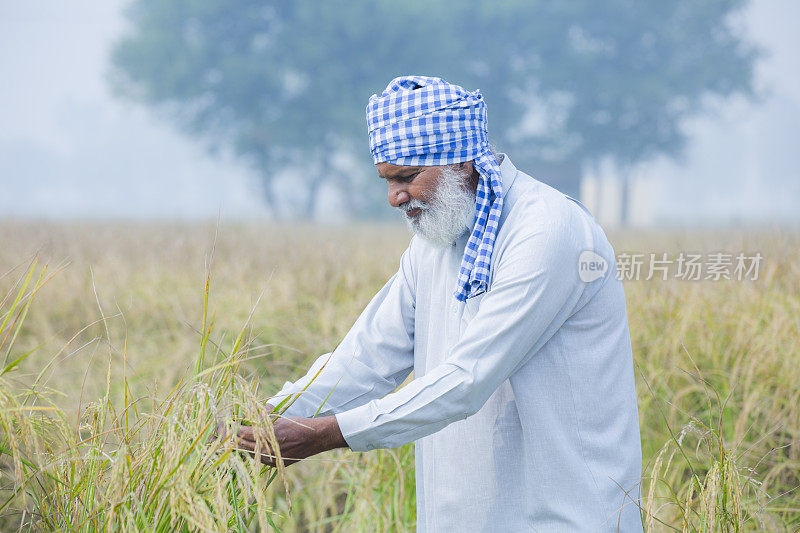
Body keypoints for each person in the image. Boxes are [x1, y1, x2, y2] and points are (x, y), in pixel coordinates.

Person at [234, 76, 643, 532]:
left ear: (461, 162)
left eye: (407, 177)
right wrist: (258, 418)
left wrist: (325, 434)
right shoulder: (436, 238)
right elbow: (364, 360)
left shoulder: (547, 230)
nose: (394, 197)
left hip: (566, 516)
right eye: (387, 180)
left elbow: (466, 379)